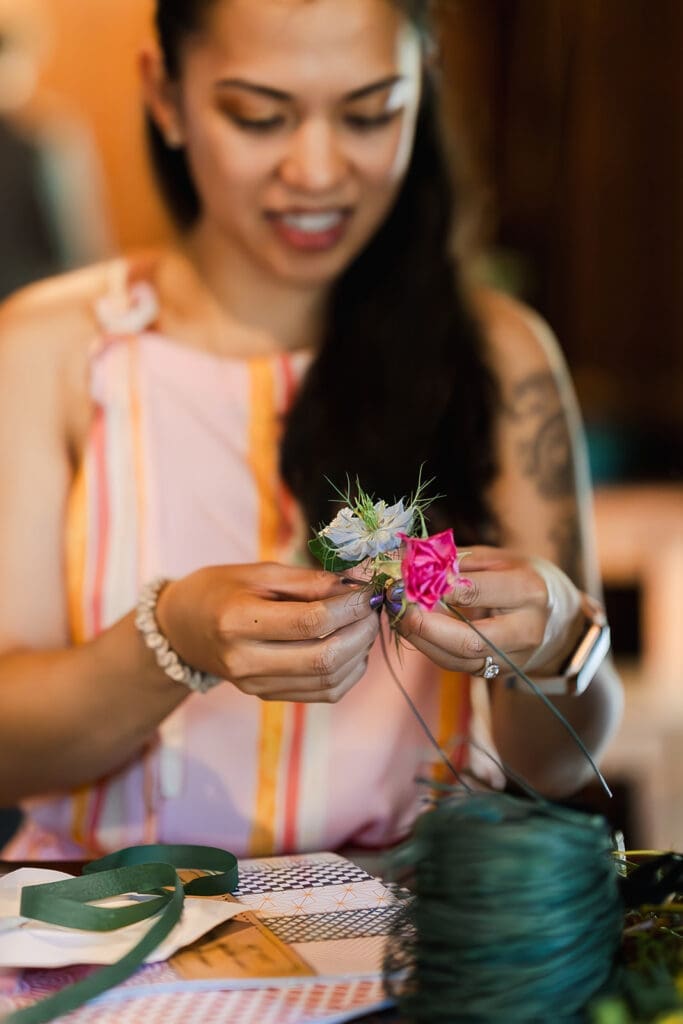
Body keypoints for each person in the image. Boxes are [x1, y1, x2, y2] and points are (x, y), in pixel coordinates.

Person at [0, 0, 622, 861]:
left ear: (423, 87)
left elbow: (554, 762)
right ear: (165, 95)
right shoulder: (52, 350)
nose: (319, 169)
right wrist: (169, 638)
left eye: (370, 114)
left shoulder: (497, 355)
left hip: (406, 948)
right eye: (259, 116)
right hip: (108, 947)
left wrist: (558, 634)